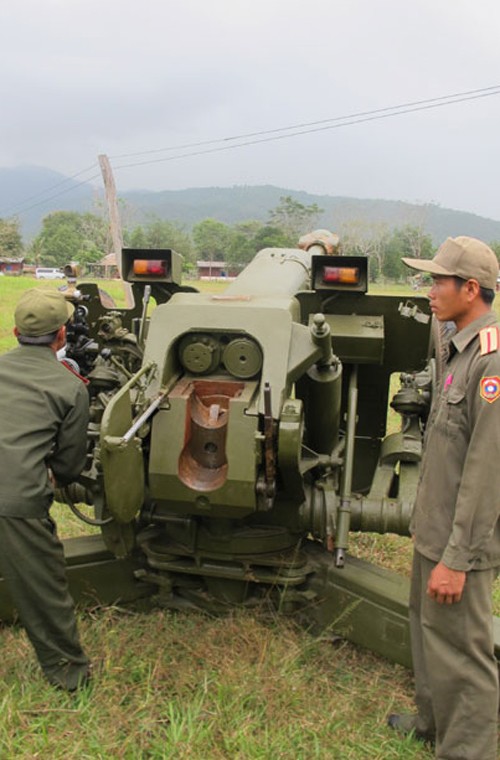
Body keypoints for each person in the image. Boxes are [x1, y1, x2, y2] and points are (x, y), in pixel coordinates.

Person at [387, 236, 500, 759]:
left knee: (463, 649)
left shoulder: (490, 362)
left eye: (438, 281)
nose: (429, 291)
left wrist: (457, 558)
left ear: (470, 288)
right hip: (434, 522)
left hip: (462, 537)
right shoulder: (455, 343)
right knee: (426, 626)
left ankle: (466, 751)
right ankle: (431, 720)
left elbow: (486, 473)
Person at [0, 288, 91, 691]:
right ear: (61, 337)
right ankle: (68, 676)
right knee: (43, 591)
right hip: (15, 500)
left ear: (15, 331)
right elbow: (69, 466)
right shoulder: (70, 387)